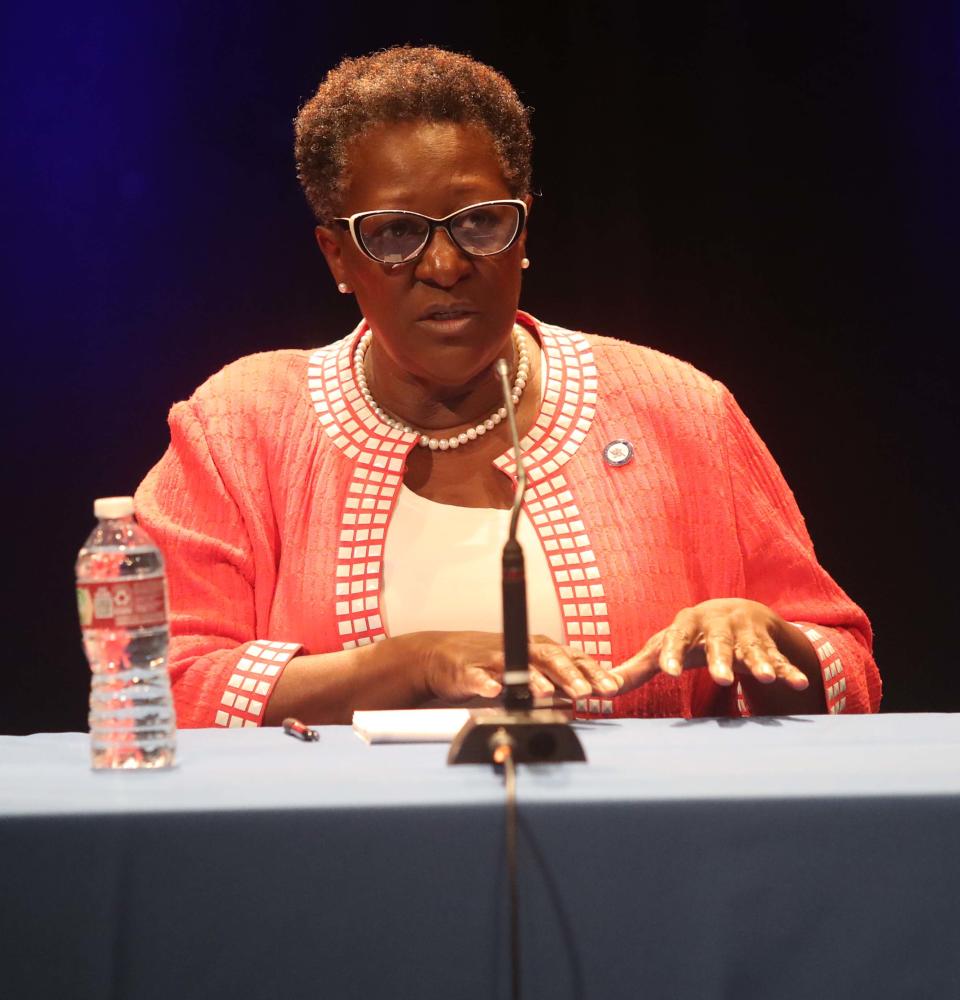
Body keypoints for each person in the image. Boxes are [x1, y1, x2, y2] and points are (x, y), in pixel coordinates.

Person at [135, 46, 881, 728]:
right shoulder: (241, 427)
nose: (446, 265)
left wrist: (766, 638)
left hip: (643, 857)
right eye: (396, 233)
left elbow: (847, 668)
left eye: (481, 224)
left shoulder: (679, 410)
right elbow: (165, 685)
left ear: (523, 235)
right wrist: (413, 665)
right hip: (338, 864)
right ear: (337, 255)